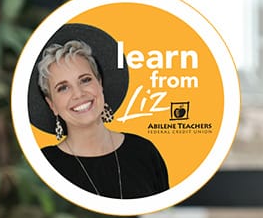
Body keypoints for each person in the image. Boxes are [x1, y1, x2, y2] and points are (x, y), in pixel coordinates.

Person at [30, 25, 169, 199]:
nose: (79, 94)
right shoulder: (42, 166)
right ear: (52, 105)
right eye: (63, 88)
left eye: (85, 80)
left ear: (100, 84)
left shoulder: (144, 152)